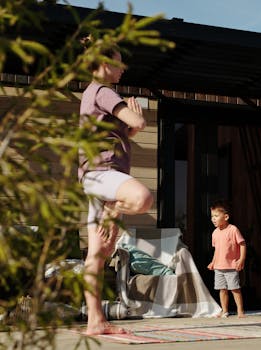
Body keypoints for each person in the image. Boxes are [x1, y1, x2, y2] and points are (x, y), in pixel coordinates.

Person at [78, 41, 153, 335]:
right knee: (143, 198)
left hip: (93, 177)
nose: (123, 69)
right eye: (119, 63)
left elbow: (125, 129)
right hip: (104, 172)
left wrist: (131, 129)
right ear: (104, 65)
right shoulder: (103, 91)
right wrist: (139, 120)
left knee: (99, 251)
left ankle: (95, 320)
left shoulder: (89, 94)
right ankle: (114, 208)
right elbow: (135, 121)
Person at [207, 200, 246, 318]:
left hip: (231, 266)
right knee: (222, 290)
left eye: (216, 216)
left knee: (234, 289)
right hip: (219, 267)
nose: (213, 219)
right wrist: (213, 262)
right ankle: (224, 311)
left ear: (226, 217)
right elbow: (217, 250)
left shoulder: (233, 230)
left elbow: (242, 244)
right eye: (212, 216)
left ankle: (240, 311)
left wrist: (241, 259)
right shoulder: (215, 233)